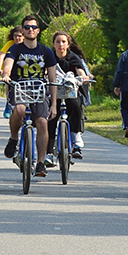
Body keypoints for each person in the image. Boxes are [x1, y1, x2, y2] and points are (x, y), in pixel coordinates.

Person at [1, 15, 58, 178]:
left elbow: (52, 79)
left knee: (42, 122)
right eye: (27, 27)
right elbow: (8, 65)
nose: (30, 30)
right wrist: (6, 75)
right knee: (19, 109)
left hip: (39, 91)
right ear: (23, 30)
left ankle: (40, 163)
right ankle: (14, 138)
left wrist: (54, 104)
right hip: (19, 89)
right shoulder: (15, 49)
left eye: (33, 27)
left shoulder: (46, 51)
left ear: (38, 30)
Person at [45, 31, 89, 167]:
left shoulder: (73, 57)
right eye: (58, 42)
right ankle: (49, 153)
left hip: (70, 92)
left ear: (68, 44)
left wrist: (84, 77)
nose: (61, 45)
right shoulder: (50, 56)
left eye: (63, 42)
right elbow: (45, 70)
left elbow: (80, 70)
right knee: (51, 118)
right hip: (54, 93)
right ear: (53, 44)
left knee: (76, 106)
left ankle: (76, 138)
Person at [0, 26, 24, 119]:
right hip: (9, 69)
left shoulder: (26, 45)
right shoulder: (10, 44)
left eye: (19, 36)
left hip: (21, 70)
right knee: (9, 84)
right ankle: (8, 103)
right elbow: (2, 55)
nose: (17, 38)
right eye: (15, 36)